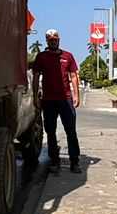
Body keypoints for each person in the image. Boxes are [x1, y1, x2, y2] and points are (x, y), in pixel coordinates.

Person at [29, 28, 82, 172]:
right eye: (51, 40)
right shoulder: (41, 57)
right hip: (49, 101)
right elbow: (35, 77)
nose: (53, 42)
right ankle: (54, 161)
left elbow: (73, 76)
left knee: (71, 131)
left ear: (59, 40)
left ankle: (74, 161)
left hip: (66, 100)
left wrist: (76, 95)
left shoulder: (68, 56)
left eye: (55, 40)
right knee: (50, 132)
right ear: (47, 41)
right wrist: (35, 97)